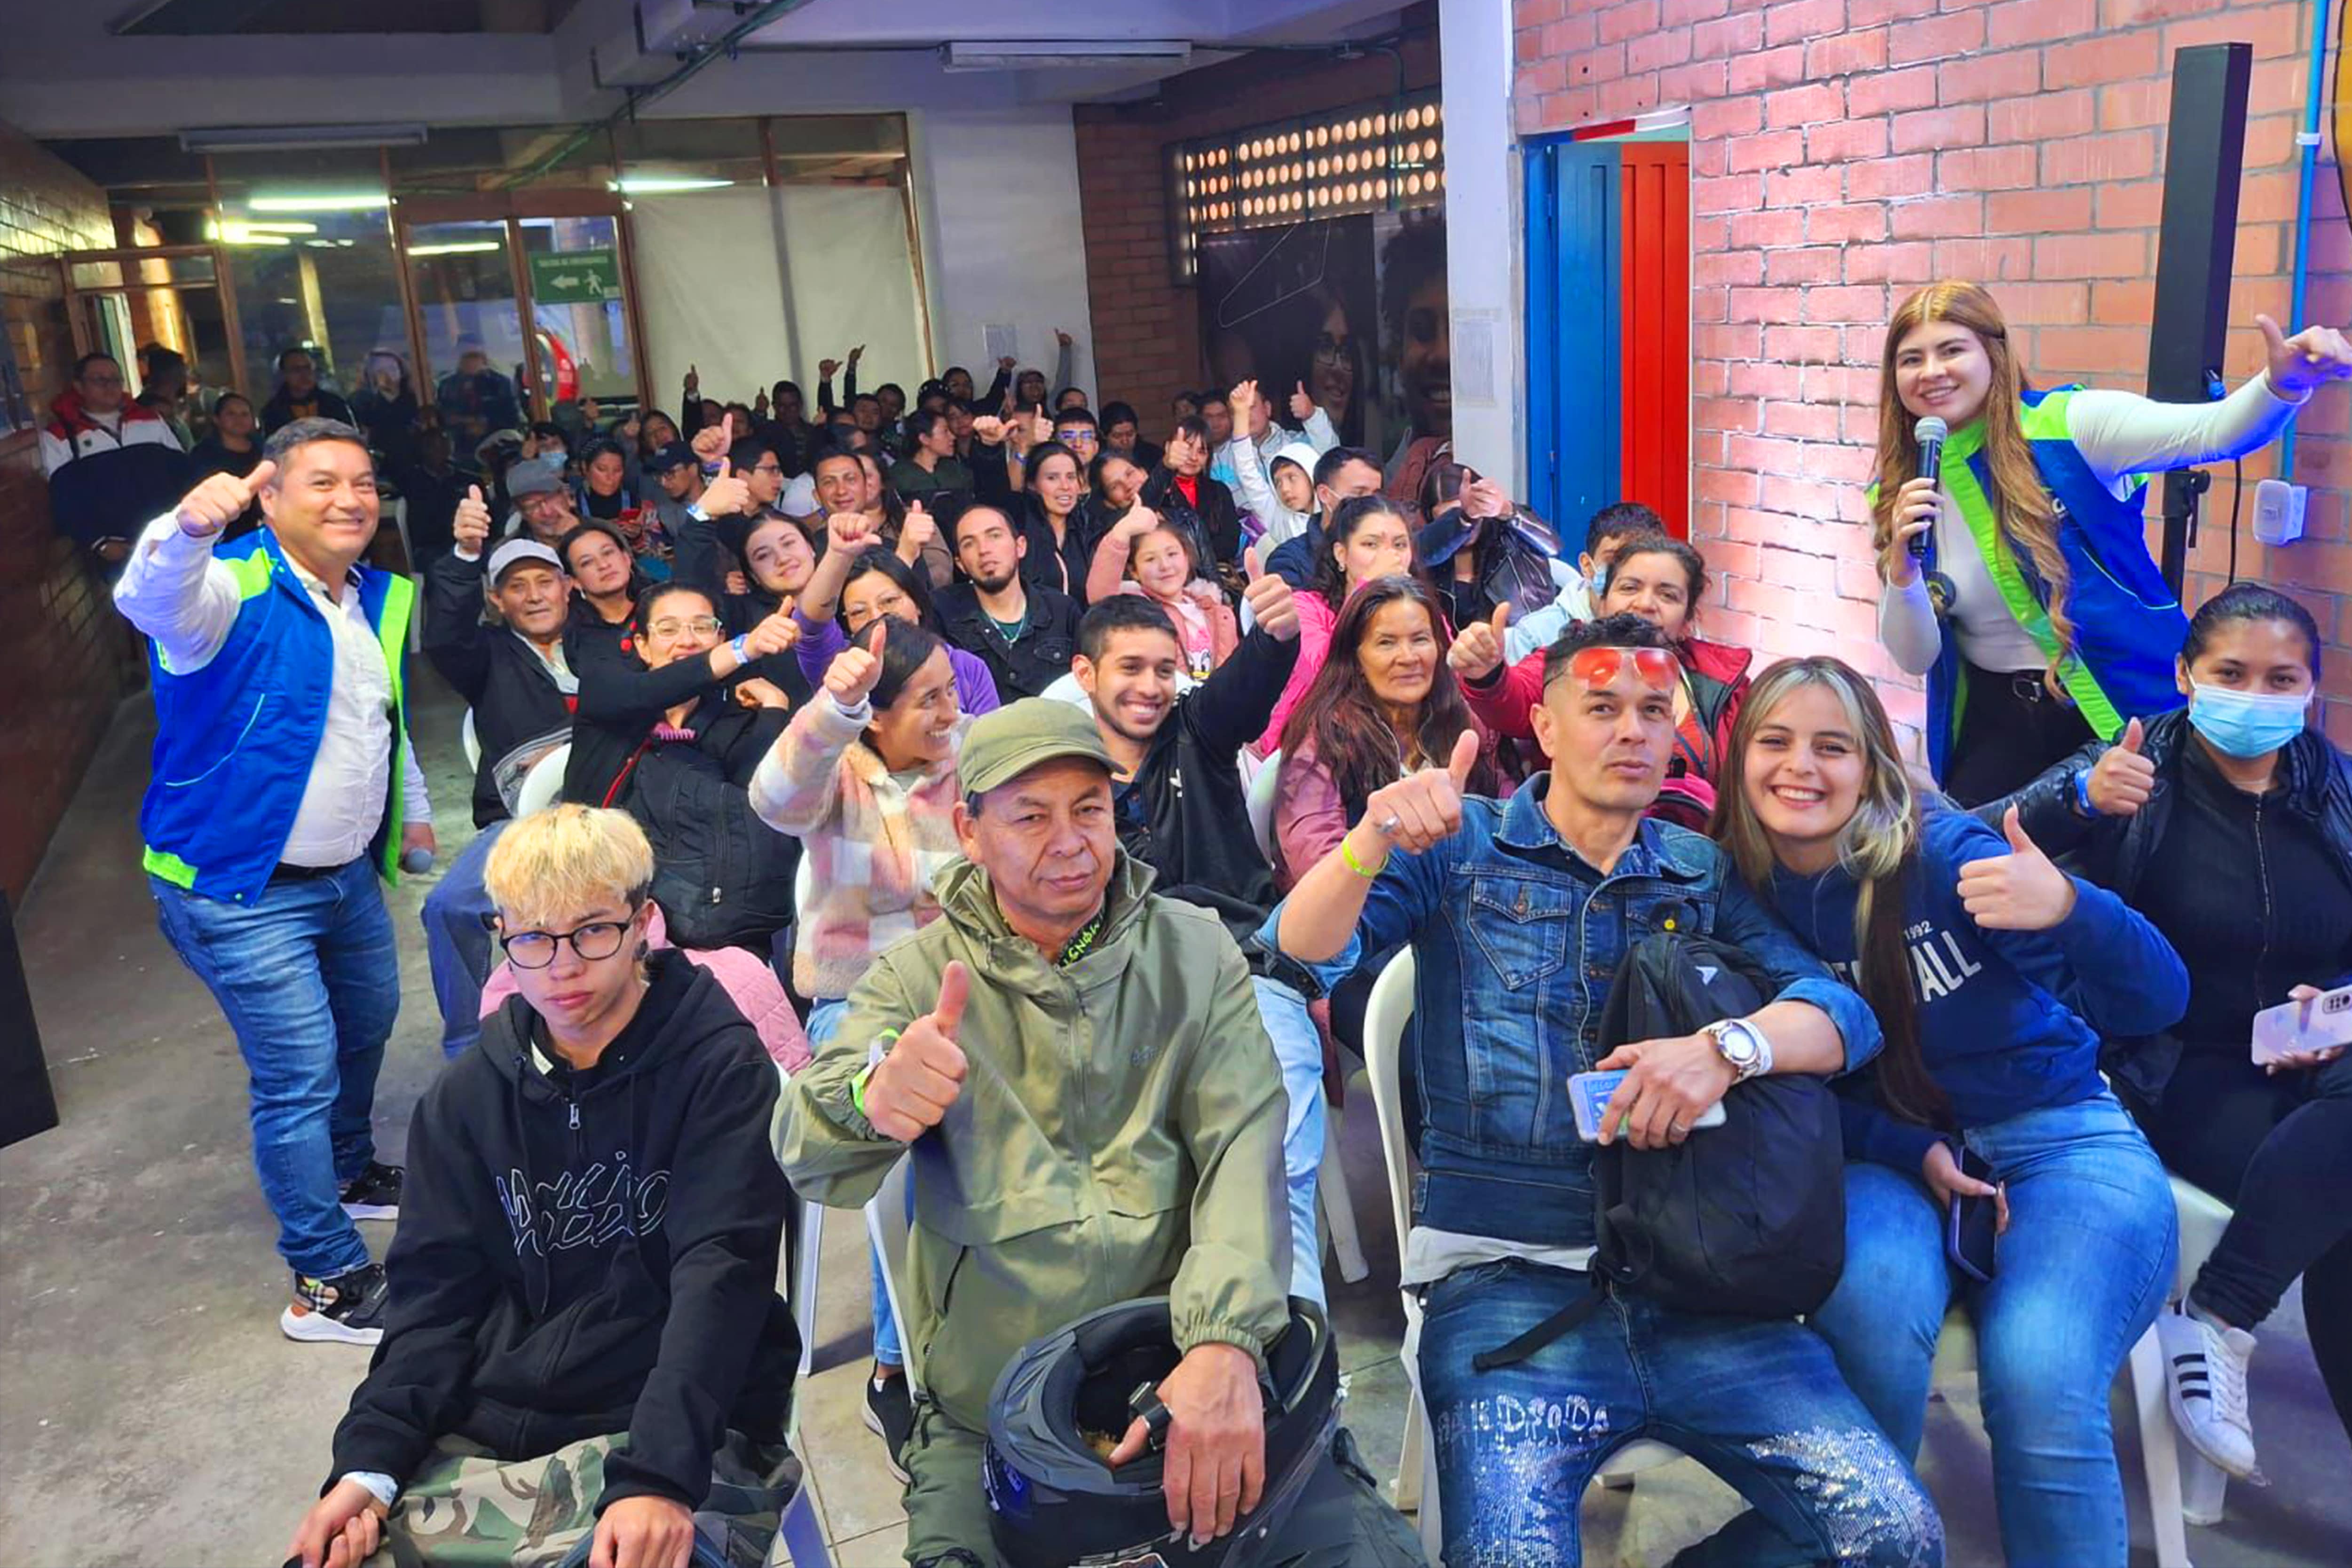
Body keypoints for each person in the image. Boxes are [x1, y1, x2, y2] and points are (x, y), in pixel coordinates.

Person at [1265, 615, 1942, 1568]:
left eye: (1654, 709)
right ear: (1543, 725)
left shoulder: (1697, 871)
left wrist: (1727, 1047)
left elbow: (1844, 1016)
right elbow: (1296, 953)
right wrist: (1370, 839)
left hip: (1697, 1275)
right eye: (1601, 707)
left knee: (1895, 1534)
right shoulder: (1459, 845)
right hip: (1505, 1282)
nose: (1632, 730)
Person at [773, 698, 1299, 1567]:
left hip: (1179, 1363)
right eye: (1030, 817)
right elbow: (804, 1149)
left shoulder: (1193, 953)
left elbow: (1242, 1149)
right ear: (968, 831)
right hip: (992, 1404)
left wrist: (1222, 1342)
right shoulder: (918, 979)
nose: (1069, 841)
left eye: (1089, 809)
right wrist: (871, 1099)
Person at [1688, 654, 2184, 1568]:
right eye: (1775, 741)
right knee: (1868, 1324)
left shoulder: (1945, 856)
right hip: (1885, 1156)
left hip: (2058, 1139)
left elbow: (2156, 999)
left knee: (2037, 1374)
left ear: (1871, 764)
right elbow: (1785, 1093)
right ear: (1739, 757)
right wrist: (1903, 1145)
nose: (1800, 766)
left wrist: (2072, 907)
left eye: (1831, 746)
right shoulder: (1731, 893)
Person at [284, 805, 802, 1568]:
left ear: (643, 923)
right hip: (493, 1426)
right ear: (501, 935)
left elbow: (721, 1276)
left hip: (685, 1421)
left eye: (592, 931)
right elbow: (432, 1303)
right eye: (532, 937)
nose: (561, 967)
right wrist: (371, 1463)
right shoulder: (465, 1100)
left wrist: (658, 1477)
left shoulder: (719, 1070)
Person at [1988, 581, 2352, 1477]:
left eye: (2281, 679)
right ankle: (2222, 1314)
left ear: (2311, 688)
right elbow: (1965, 841)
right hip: (2177, 1065)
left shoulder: (2336, 787)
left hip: (2324, 1062)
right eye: (2231, 673)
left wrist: (2339, 1006)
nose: (2256, 697)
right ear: (2186, 676)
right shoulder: (2130, 767)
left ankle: (2219, 1315)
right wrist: (2079, 798)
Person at [115, 419, 436, 1344]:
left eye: (362, 482)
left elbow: (380, 719)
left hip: (344, 878)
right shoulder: (227, 584)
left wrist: (413, 810)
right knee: (298, 1072)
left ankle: (346, 1167)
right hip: (236, 888)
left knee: (368, 1023)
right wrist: (183, 532)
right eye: (322, 482)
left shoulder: (373, 595)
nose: (349, 499)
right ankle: (325, 1281)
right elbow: (151, 600)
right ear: (269, 495)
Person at [1872, 279, 2352, 804]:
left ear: (1994, 353)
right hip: (1996, 726)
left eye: (1951, 350)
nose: (1932, 372)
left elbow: (2213, 431)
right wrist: (1903, 570)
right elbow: (1915, 656)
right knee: (1979, 849)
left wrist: (2281, 386)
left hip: (2122, 713)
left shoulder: (2067, 427)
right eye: (1911, 359)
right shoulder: (1900, 488)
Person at [750, 618, 966, 1478]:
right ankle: (896, 1362)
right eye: (928, 700)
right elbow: (772, 800)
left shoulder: (968, 759)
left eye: (951, 691)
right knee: (914, 1134)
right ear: (875, 715)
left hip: (965, 994)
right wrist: (832, 710)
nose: (950, 712)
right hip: (859, 1001)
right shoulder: (839, 772)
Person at [421, 504, 582, 1060]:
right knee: (448, 907)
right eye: (517, 586)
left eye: (545, 581)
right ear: (496, 599)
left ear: (567, 588)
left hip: (614, 809)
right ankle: (470, 1049)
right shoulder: (483, 656)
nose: (534, 596)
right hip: (520, 824)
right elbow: (444, 634)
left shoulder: (600, 640)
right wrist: (465, 555)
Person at [1459, 530, 1752, 791]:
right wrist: (1488, 674)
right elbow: (1513, 700)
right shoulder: (1568, 659)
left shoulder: (1723, 682)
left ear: (1688, 619)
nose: (1645, 604)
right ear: (1602, 602)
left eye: (1667, 595)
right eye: (1630, 588)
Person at [1273, 575, 1494, 887]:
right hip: (1365, 906)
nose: (1408, 658)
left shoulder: (1466, 725)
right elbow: (1317, 868)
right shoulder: (1321, 739)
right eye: (1386, 643)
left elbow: (1504, 829)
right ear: (1356, 658)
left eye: (1420, 639)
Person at [1255, 493, 1418, 757]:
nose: (1389, 557)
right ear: (1341, 554)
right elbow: (1323, 672)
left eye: (1400, 545)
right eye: (1371, 544)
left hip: (1399, 742)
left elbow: (1446, 673)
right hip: (1314, 746)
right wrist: (1367, 591)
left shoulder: (1418, 611)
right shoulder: (1306, 607)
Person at [793, 511, 1000, 717]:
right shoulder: (843, 669)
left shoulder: (966, 667)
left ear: (917, 603)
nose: (877, 617)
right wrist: (838, 555)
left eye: (889, 601)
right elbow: (811, 625)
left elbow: (990, 737)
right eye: (859, 612)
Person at [40, 349, 189, 568]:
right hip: (118, 551)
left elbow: (182, 472)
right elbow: (64, 499)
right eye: (99, 380)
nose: (109, 386)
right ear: (79, 386)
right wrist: (98, 542)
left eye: (115, 380)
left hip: (170, 541)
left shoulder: (150, 419)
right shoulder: (60, 436)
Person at [936, 503, 1081, 699]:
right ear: (960, 564)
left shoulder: (1062, 611)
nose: (984, 550)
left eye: (995, 536)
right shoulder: (942, 611)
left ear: (1020, 547)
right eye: (969, 544)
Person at [1417, 457, 1577, 635]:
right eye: (1449, 519)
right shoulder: (1430, 555)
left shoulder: (1511, 533)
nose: (1469, 523)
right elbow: (1417, 552)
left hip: (1527, 646)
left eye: (1472, 509)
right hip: (1459, 651)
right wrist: (1462, 520)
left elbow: (1553, 545)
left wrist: (1506, 510)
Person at [1085, 504, 1239, 679]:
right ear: (1134, 571)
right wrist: (1122, 532)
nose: (1165, 566)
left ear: (1187, 557)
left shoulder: (1220, 613)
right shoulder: (1136, 610)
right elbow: (1101, 596)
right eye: (1150, 559)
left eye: (1172, 554)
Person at [1258, 444, 1387, 591]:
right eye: (1359, 494)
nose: (1371, 503)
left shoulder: (1391, 548)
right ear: (1325, 495)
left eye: (1377, 495)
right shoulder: (1290, 561)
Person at [1139, 418, 1242, 573]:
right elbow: (1143, 509)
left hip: (1214, 575)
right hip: (1167, 573)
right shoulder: (1157, 489)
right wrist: (1166, 466)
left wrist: (1191, 553)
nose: (1194, 457)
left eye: (1202, 451)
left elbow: (1230, 543)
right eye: (1187, 448)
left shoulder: (1219, 491)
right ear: (1169, 448)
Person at [558, 519, 646, 664]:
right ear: (575, 581)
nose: (603, 565)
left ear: (626, 559)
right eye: (587, 562)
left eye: (608, 553)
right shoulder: (578, 637)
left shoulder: (661, 604)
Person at [187, 391, 266, 540]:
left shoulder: (263, 448)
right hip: (221, 530)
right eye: (231, 414)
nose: (239, 419)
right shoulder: (204, 454)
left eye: (245, 414)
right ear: (217, 419)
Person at [436, 342, 521, 450]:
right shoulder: (447, 385)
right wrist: (467, 422)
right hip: (458, 445)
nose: (471, 361)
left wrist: (487, 423)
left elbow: (512, 418)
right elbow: (443, 417)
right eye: (466, 355)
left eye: (475, 355)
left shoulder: (500, 383)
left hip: (496, 444)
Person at [349, 349, 420, 472]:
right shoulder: (361, 400)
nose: (387, 374)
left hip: (414, 462)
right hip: (379, 465)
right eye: (380, 370)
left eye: (392, 368)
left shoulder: (415, 399)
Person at [262, 347, 356, 433]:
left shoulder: (334, 404)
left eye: (308, 368)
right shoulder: (273, 412)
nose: (305, 375)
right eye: (297, 370)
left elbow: (350, 435)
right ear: (284, 374)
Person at [887, 408, 974, 502]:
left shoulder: (959, 471)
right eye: (945, 432)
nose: (953, 437)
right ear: (924, 439)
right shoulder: (899, 475)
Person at [1099, 398, 1161, 471]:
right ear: (1104, 435)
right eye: (1117, 436)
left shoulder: (1153, 456)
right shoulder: (1097, 461)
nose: (1125, 441)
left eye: (1130, 434)